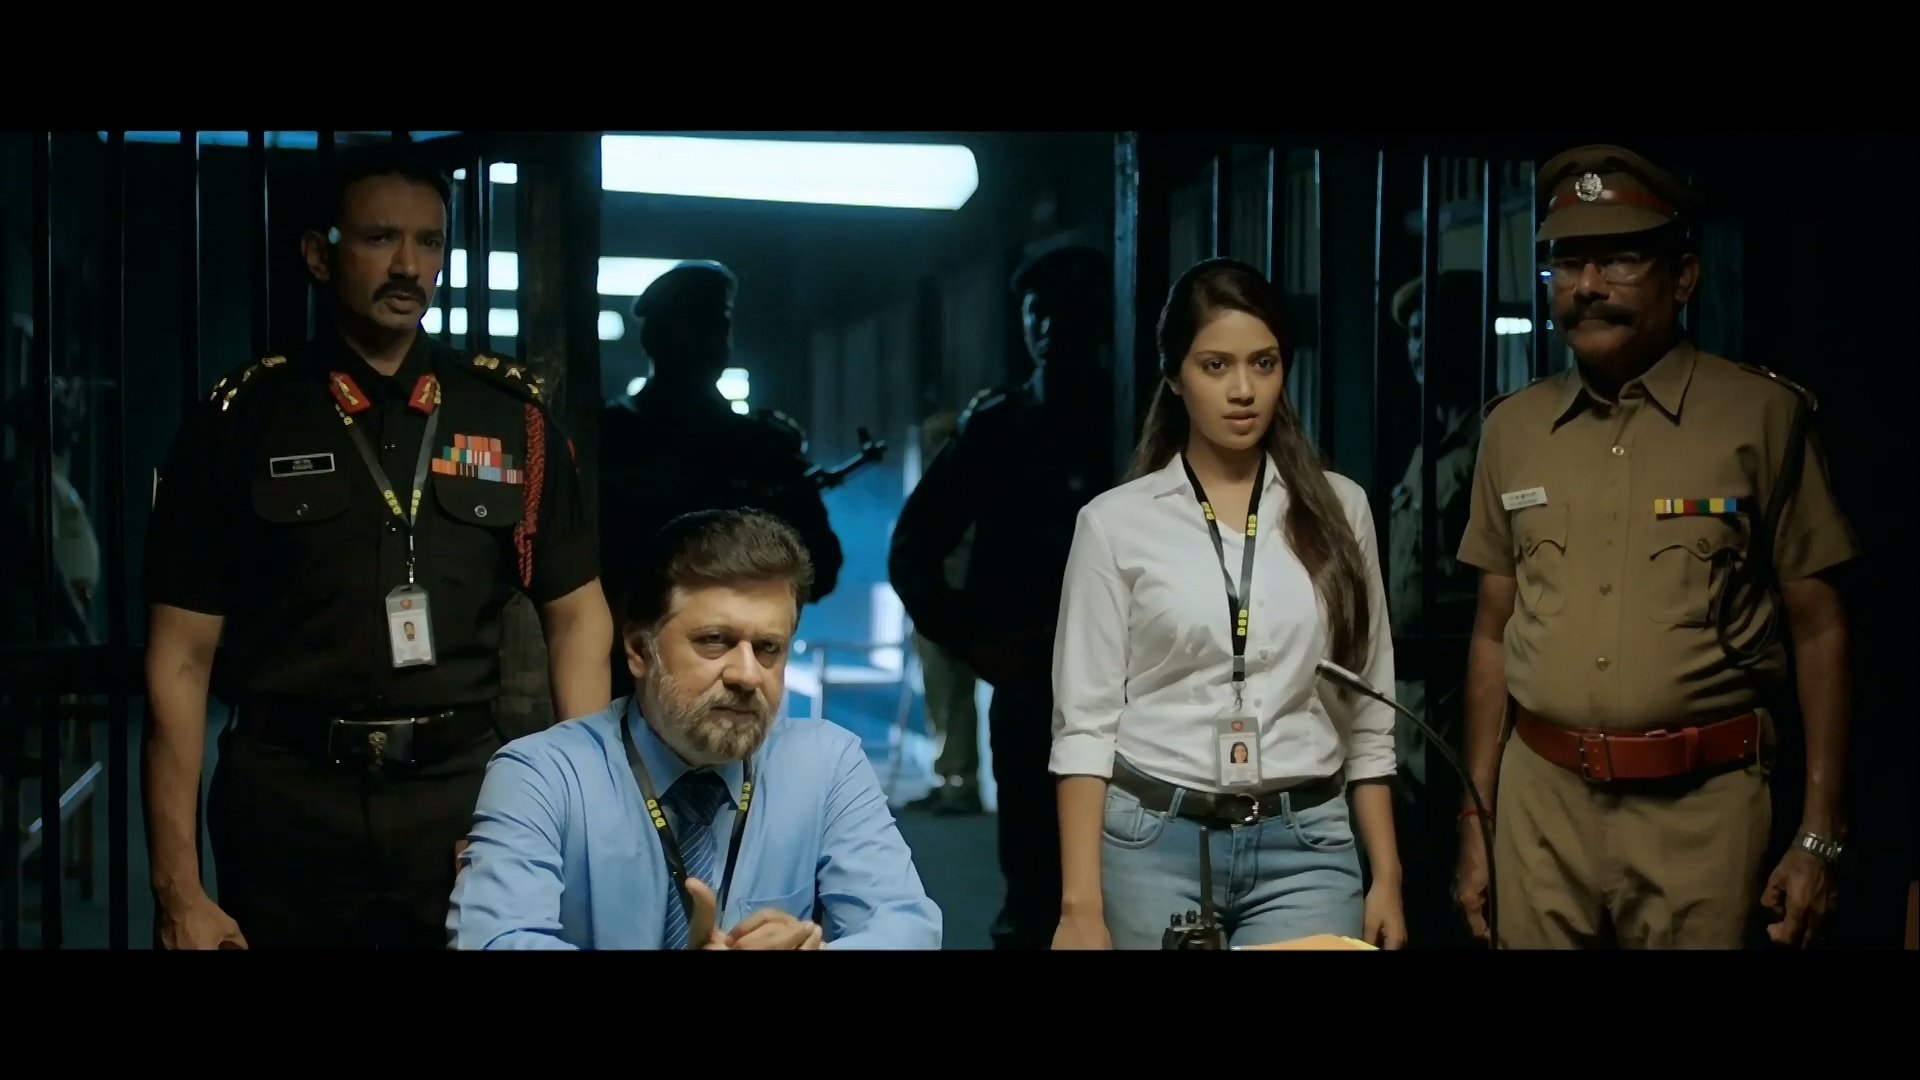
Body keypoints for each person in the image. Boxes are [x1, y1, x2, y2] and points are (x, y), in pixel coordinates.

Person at [141, 142, 612, 950]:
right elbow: (179, 658)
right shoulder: (241, 421)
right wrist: (177, 890)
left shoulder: (510, 419)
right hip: (287, 803)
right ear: (319, 255)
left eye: (429, 242)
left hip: (464, 800)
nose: (408, 265)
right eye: (379, 238)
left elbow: (578, 620)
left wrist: (573, 817)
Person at [1452, 144, 1860, 949]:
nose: (1587, 286)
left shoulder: (1761, 418)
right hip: (1540, 814)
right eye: (1567, 263)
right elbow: (1493, 632)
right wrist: (1476, 818)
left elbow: (1820, 629)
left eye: (1619, 259)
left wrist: (1820, 836)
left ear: (1683, 277)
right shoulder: (1512, 429)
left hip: (1702, 815)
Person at [1049, 257, 1405, 951]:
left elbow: (1370, 711)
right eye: (1215, 366)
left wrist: (1387, 874)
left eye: (1263, 364)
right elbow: (1084, 725)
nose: (1243, 390)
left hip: (1308, 843)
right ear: (1174, 376)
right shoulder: (1115, 523)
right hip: (1154, 840)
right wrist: (1078, 906)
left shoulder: (1342, 509)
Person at [447, 508, 942, 950]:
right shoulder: (541, 774)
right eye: (714, 641)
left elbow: (907, 926)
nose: (747, 675)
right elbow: (493, 939)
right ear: (639, 650)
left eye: (768, 649)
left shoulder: (827, 765)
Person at [889, 241, 1116, 949]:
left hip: (1134, 688)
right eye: (1036, 311)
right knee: (1034, 887)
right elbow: (915, 547)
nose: (1049, 327)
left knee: (1133, 887)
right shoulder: (1000, 425)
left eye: (1066, 311)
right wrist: (971, 640)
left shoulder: (1136, 418)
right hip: (1030, 684)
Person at [598, 261, 844, 700]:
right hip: (626, 668)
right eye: (693, 328)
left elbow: (821, 567)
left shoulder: (764, 445)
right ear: (653, 339)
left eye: (718, 328)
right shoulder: (606, 436)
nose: (710, 342)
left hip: (735, 672)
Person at [1385, 270, 1487, 946]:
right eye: (1413, 334)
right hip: (1413, 703)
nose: (1419, 347)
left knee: (1459, 882)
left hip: (1460, 695)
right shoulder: (1431, 445)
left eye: (1434, 332)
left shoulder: (1491, 442)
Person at [905, 407, 983, 815]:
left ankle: (960, 781)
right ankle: (947, 776)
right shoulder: (937, 491)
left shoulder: (966, 493)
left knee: (955, 698)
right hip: (933, 606)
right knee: (939, 696)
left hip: (953, 606)